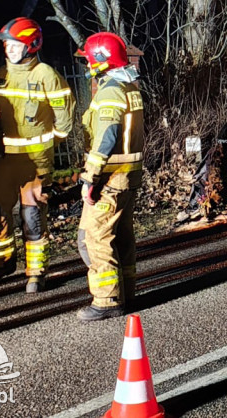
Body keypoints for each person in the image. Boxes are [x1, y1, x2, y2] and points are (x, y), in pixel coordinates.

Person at [0, 17, 74, 294]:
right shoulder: (1, 74)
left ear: (31, 45)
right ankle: (3, 264)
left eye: (14, 44)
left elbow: (65, 121)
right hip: (7, 159)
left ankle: (36, 273)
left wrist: (49, 146)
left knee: (32, 216)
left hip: (35, 160)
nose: (8, 49)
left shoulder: (46, 75)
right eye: (7, 44)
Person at [75, 32, 144, 321]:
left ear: (101, 60)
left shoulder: (110, 91)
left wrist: (91, 177)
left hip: (110, 180)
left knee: (95, 237)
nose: (88, 63)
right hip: (128, 178)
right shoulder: (129, 87)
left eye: (90, 58)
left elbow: (107, 137)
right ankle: (126, 292)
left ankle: (106, 300)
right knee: (122, 237)